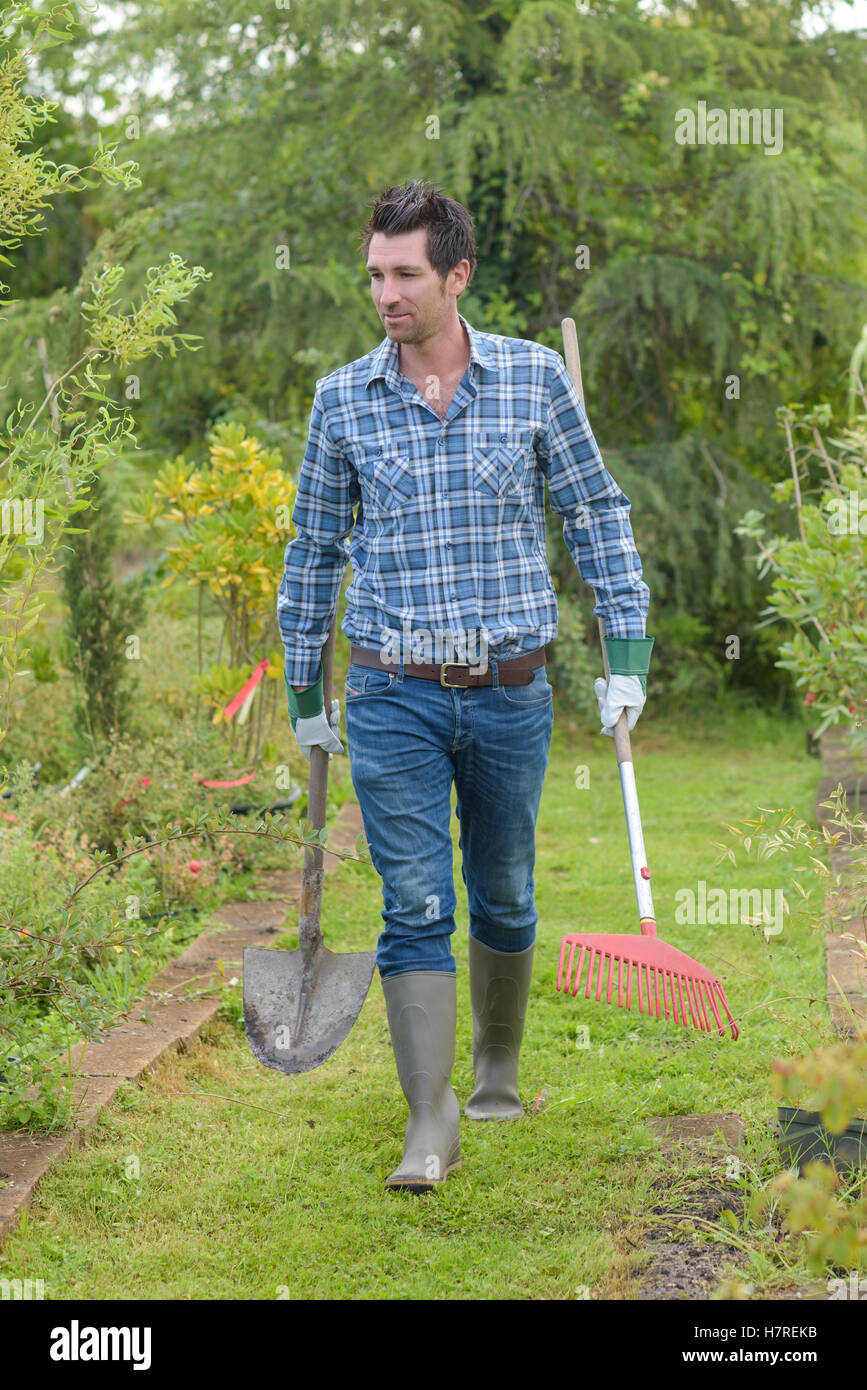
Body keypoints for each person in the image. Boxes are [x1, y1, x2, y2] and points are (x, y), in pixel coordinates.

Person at [277, 179, 653, 1193]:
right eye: (374, 274)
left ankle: (494, 1065)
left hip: (509, 687)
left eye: (404, 273)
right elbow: (312, 551)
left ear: (457, 274)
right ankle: (428, 1118)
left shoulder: (534, 382)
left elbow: (597, 516)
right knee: (411, 902)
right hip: (392, 687)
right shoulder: (341, 400)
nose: (385, 293)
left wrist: (627, 656)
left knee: (506, 891)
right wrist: (304, 684)